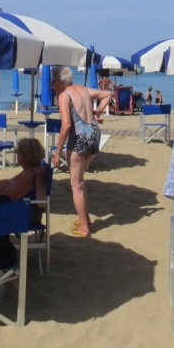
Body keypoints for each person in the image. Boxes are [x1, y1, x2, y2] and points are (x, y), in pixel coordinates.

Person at [51, 66, 112, 237]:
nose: (51, 85)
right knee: (80, 180)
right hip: (94, 134)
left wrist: (57, 151)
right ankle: (85, 218)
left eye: (53, 82)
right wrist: (98, 110)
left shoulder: (64, 95)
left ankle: (85, 227)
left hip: (79, 138)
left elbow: (67, 125)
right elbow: (108, 94)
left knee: (75, 185)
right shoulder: (84, 89)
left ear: (61, 82)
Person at [0, 138, 48, 225]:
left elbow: (8, 195)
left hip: (26, 215)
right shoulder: (35, 168)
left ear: (21, 157)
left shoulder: (30, 174)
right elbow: (9, 182)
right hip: (27, 211)